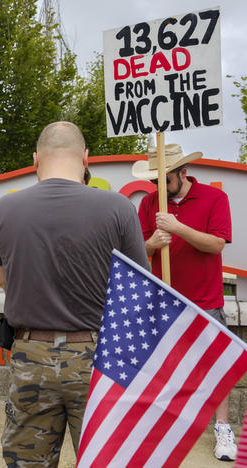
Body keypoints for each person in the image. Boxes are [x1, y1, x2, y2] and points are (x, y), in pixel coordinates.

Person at [0, 121, 149, 467]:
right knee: (106, 459)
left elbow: (2, 278)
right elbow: (137, 289)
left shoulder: (5, 208)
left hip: (30, 354)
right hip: (98, 357)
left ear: (35, 160)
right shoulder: (119, 208)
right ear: (86, 159)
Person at [133, 144, 234, 461]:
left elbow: (216, 244)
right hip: (164, 300)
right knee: (164, 366)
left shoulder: (215, 199)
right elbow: (140, 251)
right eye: (154, 181)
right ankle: (165, 427)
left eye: (165, 180)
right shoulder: (149, 204)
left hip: (206, 300)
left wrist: (178, 228)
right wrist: (152, 242)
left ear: (183, 173)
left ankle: (222, 429)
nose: (158, 187)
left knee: (214, 367)